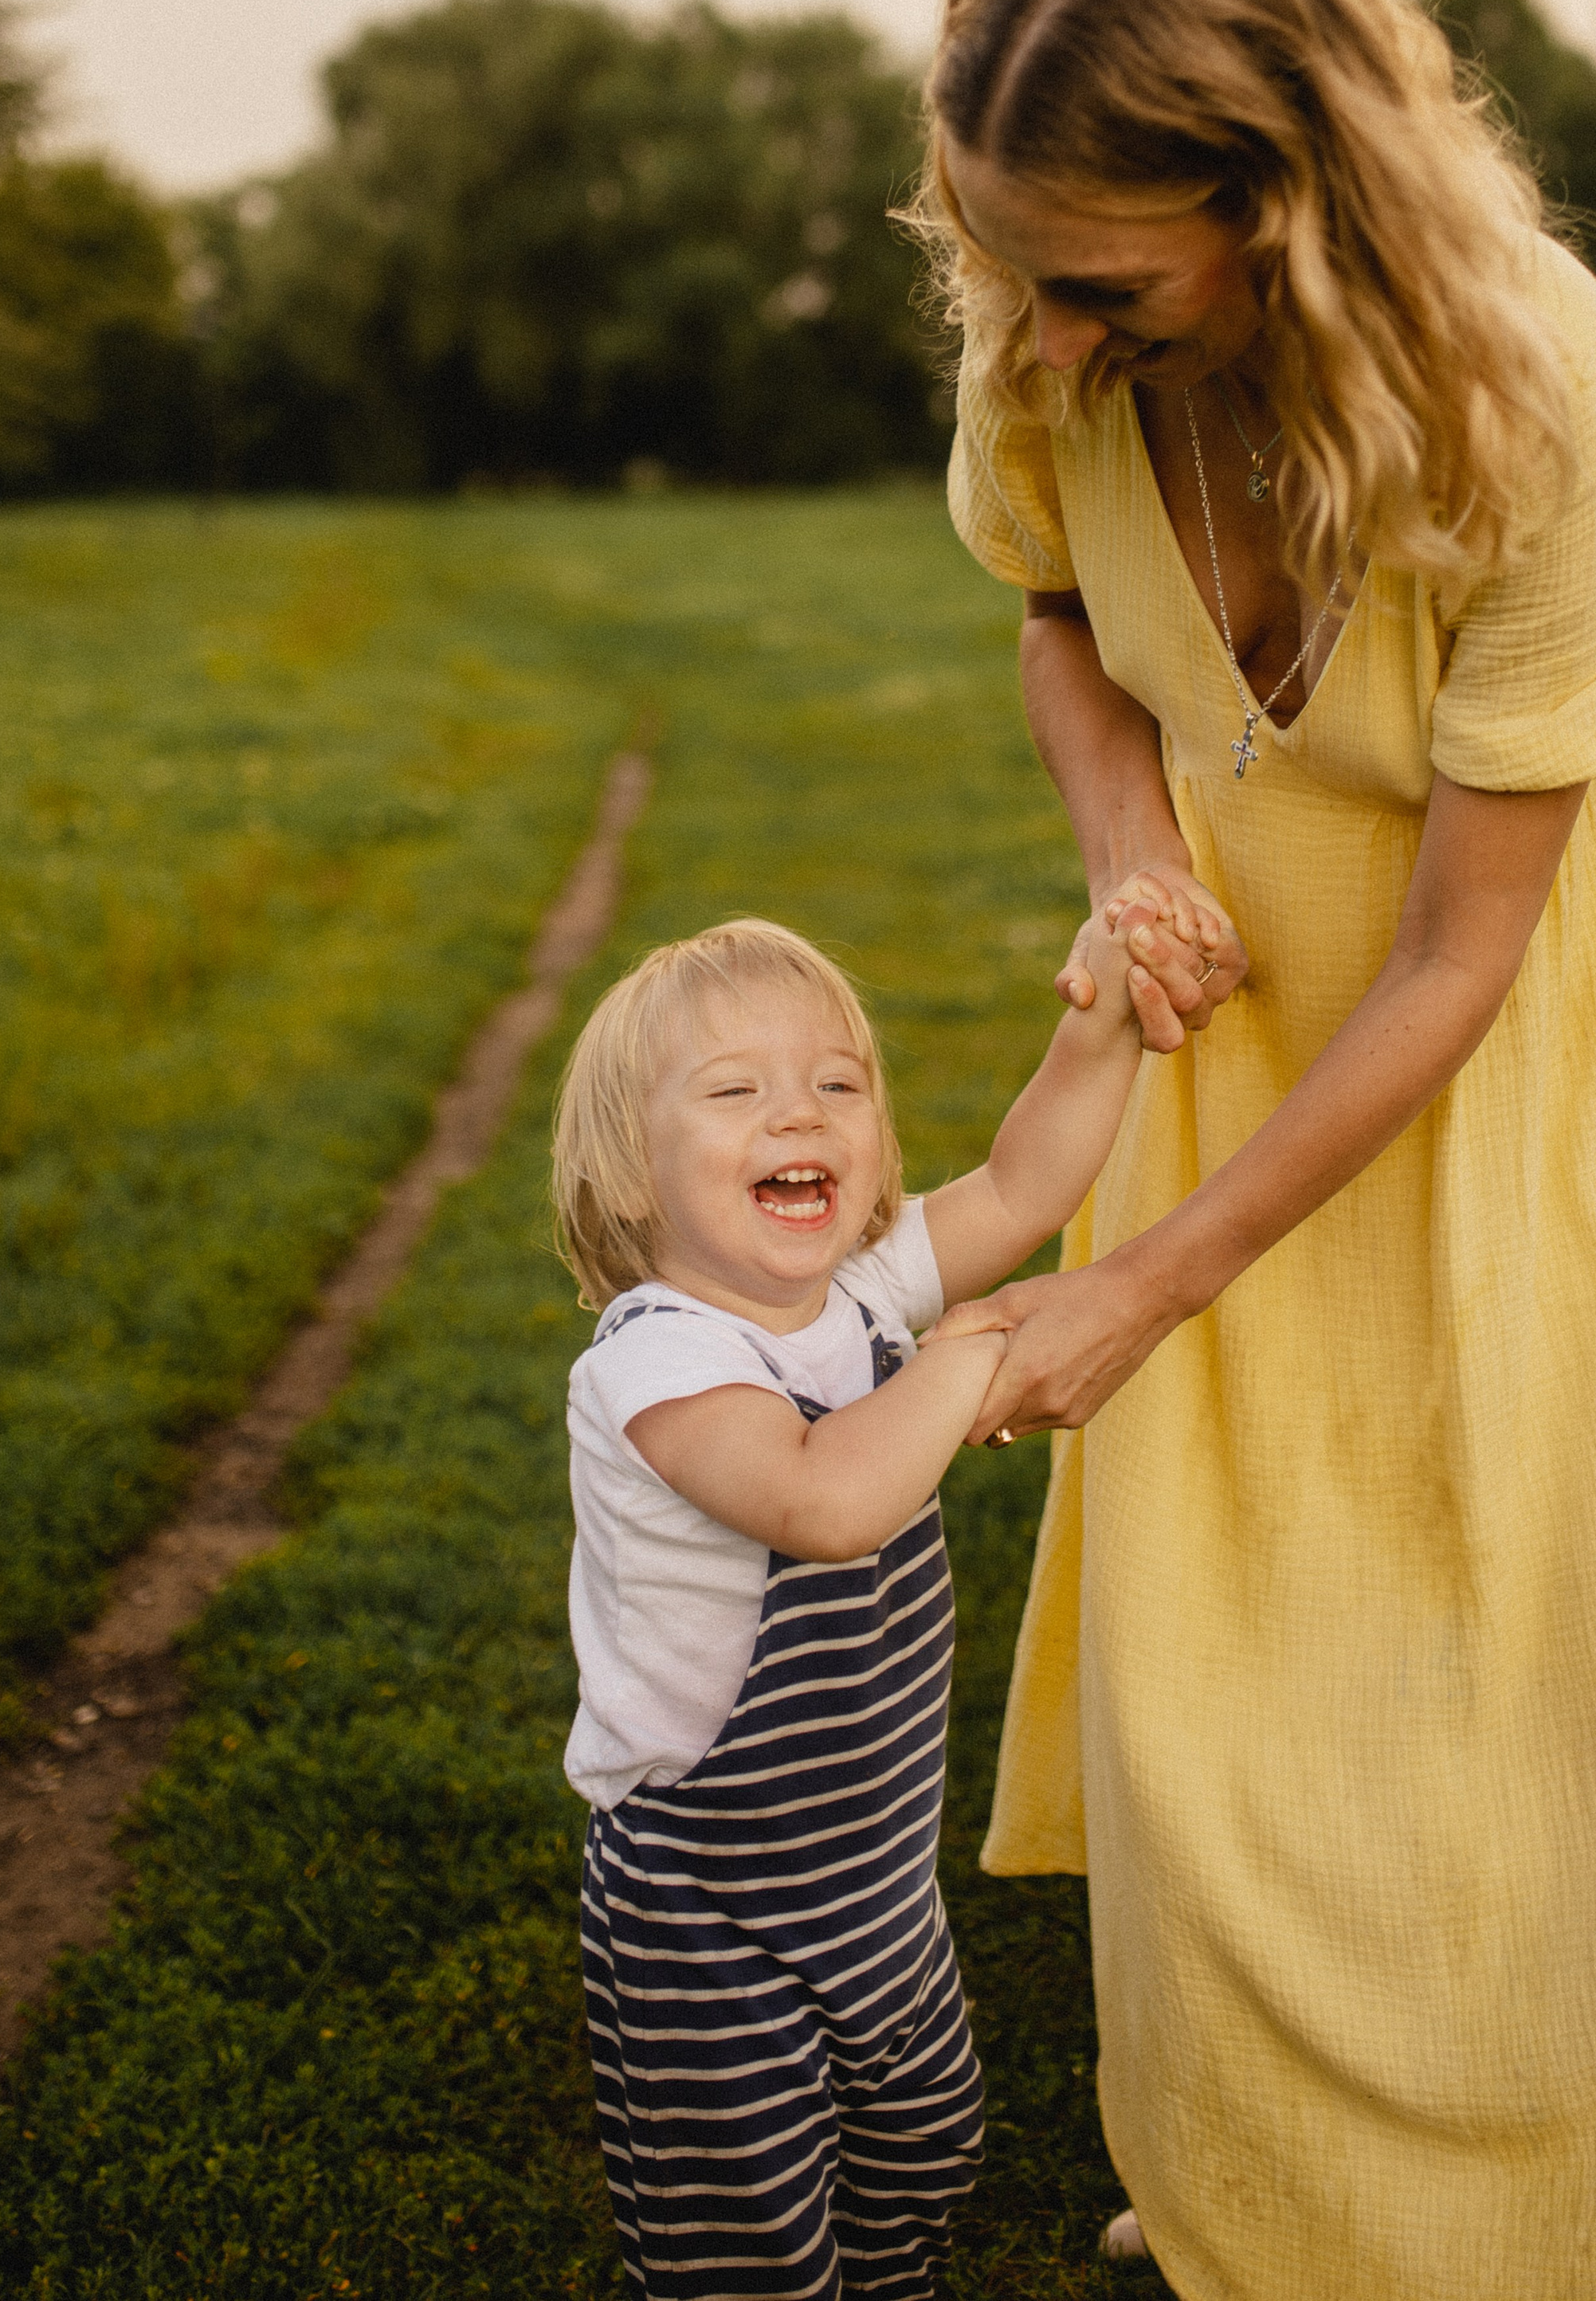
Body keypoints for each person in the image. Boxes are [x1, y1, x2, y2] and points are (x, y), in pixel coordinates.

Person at [912, 0, 1596, 2301]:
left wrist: (1155, 1284)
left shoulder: (1542, 408)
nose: (1036, 325)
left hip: (1566, 985)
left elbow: (1470, 947)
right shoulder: (1050, 333)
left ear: (1290, 213)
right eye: (1007, 260)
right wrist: (1130, 851)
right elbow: (1060, 619)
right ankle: (1270, 2180)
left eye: (1103, 277)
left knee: (1587, 1573)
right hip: (1255, 981)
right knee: (1255, 1586)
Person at [551, 914, 1144, 2298]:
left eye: (837, 1083)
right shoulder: (657, 1359)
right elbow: (826, 1501)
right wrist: (969, 1349)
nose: (796, 1112)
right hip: (712, 1912)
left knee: (926, 2148)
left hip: (875, 1875)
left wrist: (1104, 1017)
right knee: (748, 2235)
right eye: (735, 1089)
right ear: (632, 1168)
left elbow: (1019, 1178)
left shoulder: (858, 1291)